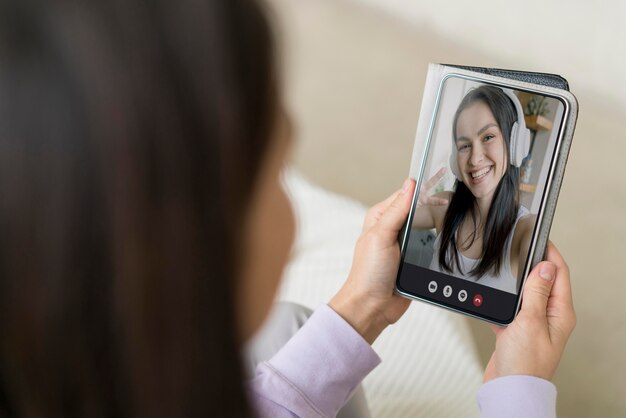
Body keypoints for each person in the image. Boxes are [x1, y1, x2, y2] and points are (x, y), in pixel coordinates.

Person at [0, 1, 575, 418]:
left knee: (293, 325)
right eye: (277, 174)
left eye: (491, 140)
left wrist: (364, 306)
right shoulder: (443, 212)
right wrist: (520, 392)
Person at [412, 86, 536, 294]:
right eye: (464, 146)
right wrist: (410, 197)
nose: (475, 158)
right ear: (455, 160)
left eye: (488, 137)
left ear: (515, 144)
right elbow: (385, 222)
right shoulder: (444, 206)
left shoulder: (527, 230)